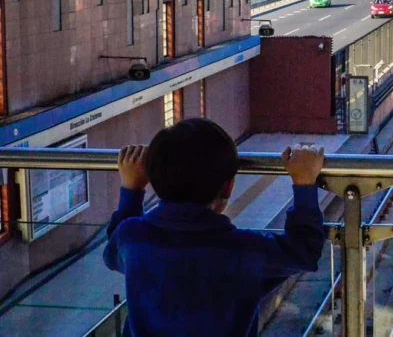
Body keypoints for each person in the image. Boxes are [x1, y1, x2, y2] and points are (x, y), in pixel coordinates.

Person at [103, 118, 326, 337]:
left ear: (151, 179)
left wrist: (131, 190)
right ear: (228, 187)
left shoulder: (132, 238)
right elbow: (304, 251)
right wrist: (304, 182)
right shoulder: (244, 251)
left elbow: (113, 254)